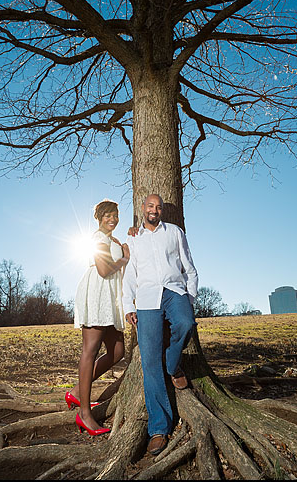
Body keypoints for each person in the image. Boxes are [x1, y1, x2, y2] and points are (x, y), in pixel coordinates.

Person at [122, 194, 198, 456]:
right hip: (146, 298)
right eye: (150, 206)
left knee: (186, 323)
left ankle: (173, 364)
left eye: (158, 207)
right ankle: (158, 429)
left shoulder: (175, 232)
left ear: (162, 210)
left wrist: (189, 297)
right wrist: (128, 306)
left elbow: (189, 267)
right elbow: (129, 274)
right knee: (149, 362)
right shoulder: (133, 237)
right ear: (143, 209)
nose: (154, 210)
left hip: (175, 291)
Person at [69, 199, 131, 435]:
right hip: (97, 293)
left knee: (117, 352)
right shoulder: (98, 238)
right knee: (90, 349)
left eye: (115, 214)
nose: (112, 219)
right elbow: (104, 270)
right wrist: (124, 259)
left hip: (111, 297)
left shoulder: (113, 239)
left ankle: (76, 392)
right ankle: (85, 414)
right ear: (98, 218)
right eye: (107, 215)